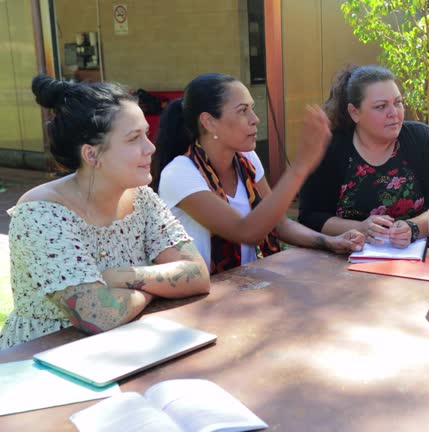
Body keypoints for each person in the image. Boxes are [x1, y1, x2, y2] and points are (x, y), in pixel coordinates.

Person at [0, 75, 211, 349]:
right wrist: (155, 285)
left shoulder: (142, 198)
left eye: (146, 134)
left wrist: (122, 277)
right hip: (41, 360)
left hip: (123, 347)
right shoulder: (41, 214)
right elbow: (99, 314)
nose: (151, 147)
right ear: (91, 155)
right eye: (134, 138)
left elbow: (197, 275)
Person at [153, 73, 364, 275]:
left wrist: (330, 241)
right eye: (242, 110)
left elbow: (278, 223)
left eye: (252, 109)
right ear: (209, 122)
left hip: (244, 284)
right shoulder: (179, 173)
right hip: (202, 298)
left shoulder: (247, 159)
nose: (255, 119)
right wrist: (300, 167)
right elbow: (247, 232)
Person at [298, 65, 429, 248]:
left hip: (414, 258)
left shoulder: (422, 140)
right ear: (354, 112)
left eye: (398, 102)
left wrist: (413, 227)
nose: (394, 113)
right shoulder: (331, 149)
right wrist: (360, 228)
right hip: (345, 259)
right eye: (381, 106)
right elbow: (310, 216)